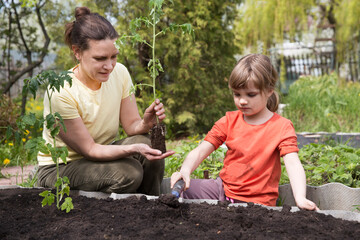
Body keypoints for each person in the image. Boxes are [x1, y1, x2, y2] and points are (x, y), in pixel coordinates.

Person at [37, 6, 174, 196]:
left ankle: (151, 206)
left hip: (102, 154)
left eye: (114, 56)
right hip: (62, 167)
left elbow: (131, 127)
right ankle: (112, 215)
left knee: (151, 149)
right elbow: (90, 150)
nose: (109, 66)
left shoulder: (120, 73)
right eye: (100, 58)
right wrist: (134, 148)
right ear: (77, 52)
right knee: (128, 173)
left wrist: (144, 123)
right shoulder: (61, 92)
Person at [171, 54, 319, 210]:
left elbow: (293, 163)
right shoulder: (229, 120)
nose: (242, 101)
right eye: (237, 94)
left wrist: (300, 198)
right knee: (179, 189)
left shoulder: (281, 126)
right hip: (222, 191)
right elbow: (201, 150)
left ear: (269, 90)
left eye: (251, 94)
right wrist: (185, 171)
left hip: (257, 204)